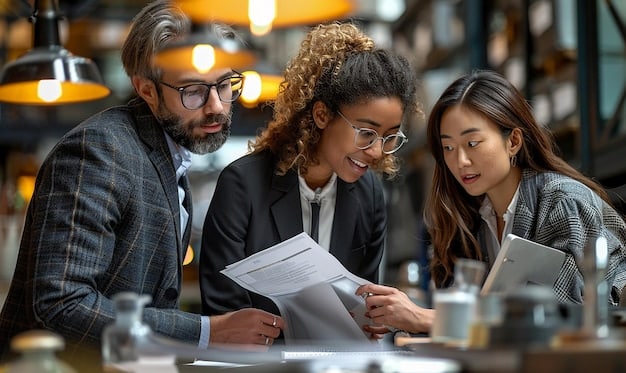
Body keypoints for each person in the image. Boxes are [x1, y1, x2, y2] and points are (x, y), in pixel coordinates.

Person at [0, 0, 284, 362]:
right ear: (146, 89)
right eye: (193, 90)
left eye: (225, 84)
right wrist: (207, 332)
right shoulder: (98, 150)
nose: (216, 105)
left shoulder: (166, 155)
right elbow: (60, 304)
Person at [356, 70, 626, 334]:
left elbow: (566, 318)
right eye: (448, 148)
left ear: (514, 141)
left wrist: (425, 318)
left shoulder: (562, 202)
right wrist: (394, 317)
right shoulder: (464, 217)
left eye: (472, 143)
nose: (460, 161)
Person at [199, 22, 420, 339]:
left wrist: (373, 319)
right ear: (321, 115)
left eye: (388, 137)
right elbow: (224, 316)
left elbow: (363, 304)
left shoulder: (369, 194)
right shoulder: (243, 185)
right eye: (366, 133)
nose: (375, 151)